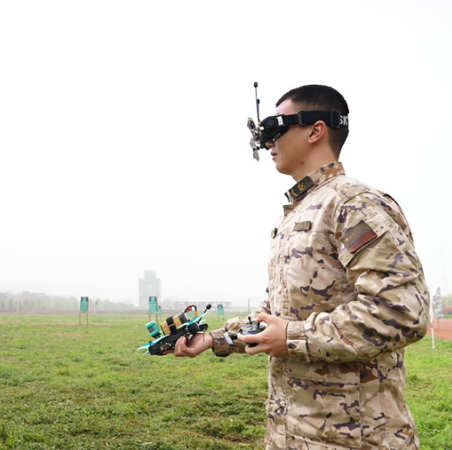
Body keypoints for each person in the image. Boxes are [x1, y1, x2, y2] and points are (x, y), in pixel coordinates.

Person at [174, 84, 430, 450]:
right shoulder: (296, 214)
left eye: (275, 128)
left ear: (315, 130)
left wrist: (292, 337)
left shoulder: (353, 204)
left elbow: (401, 312)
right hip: (290, 433)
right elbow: (276, 318)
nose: (267, 141)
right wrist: (214, 339)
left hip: (356, 438)